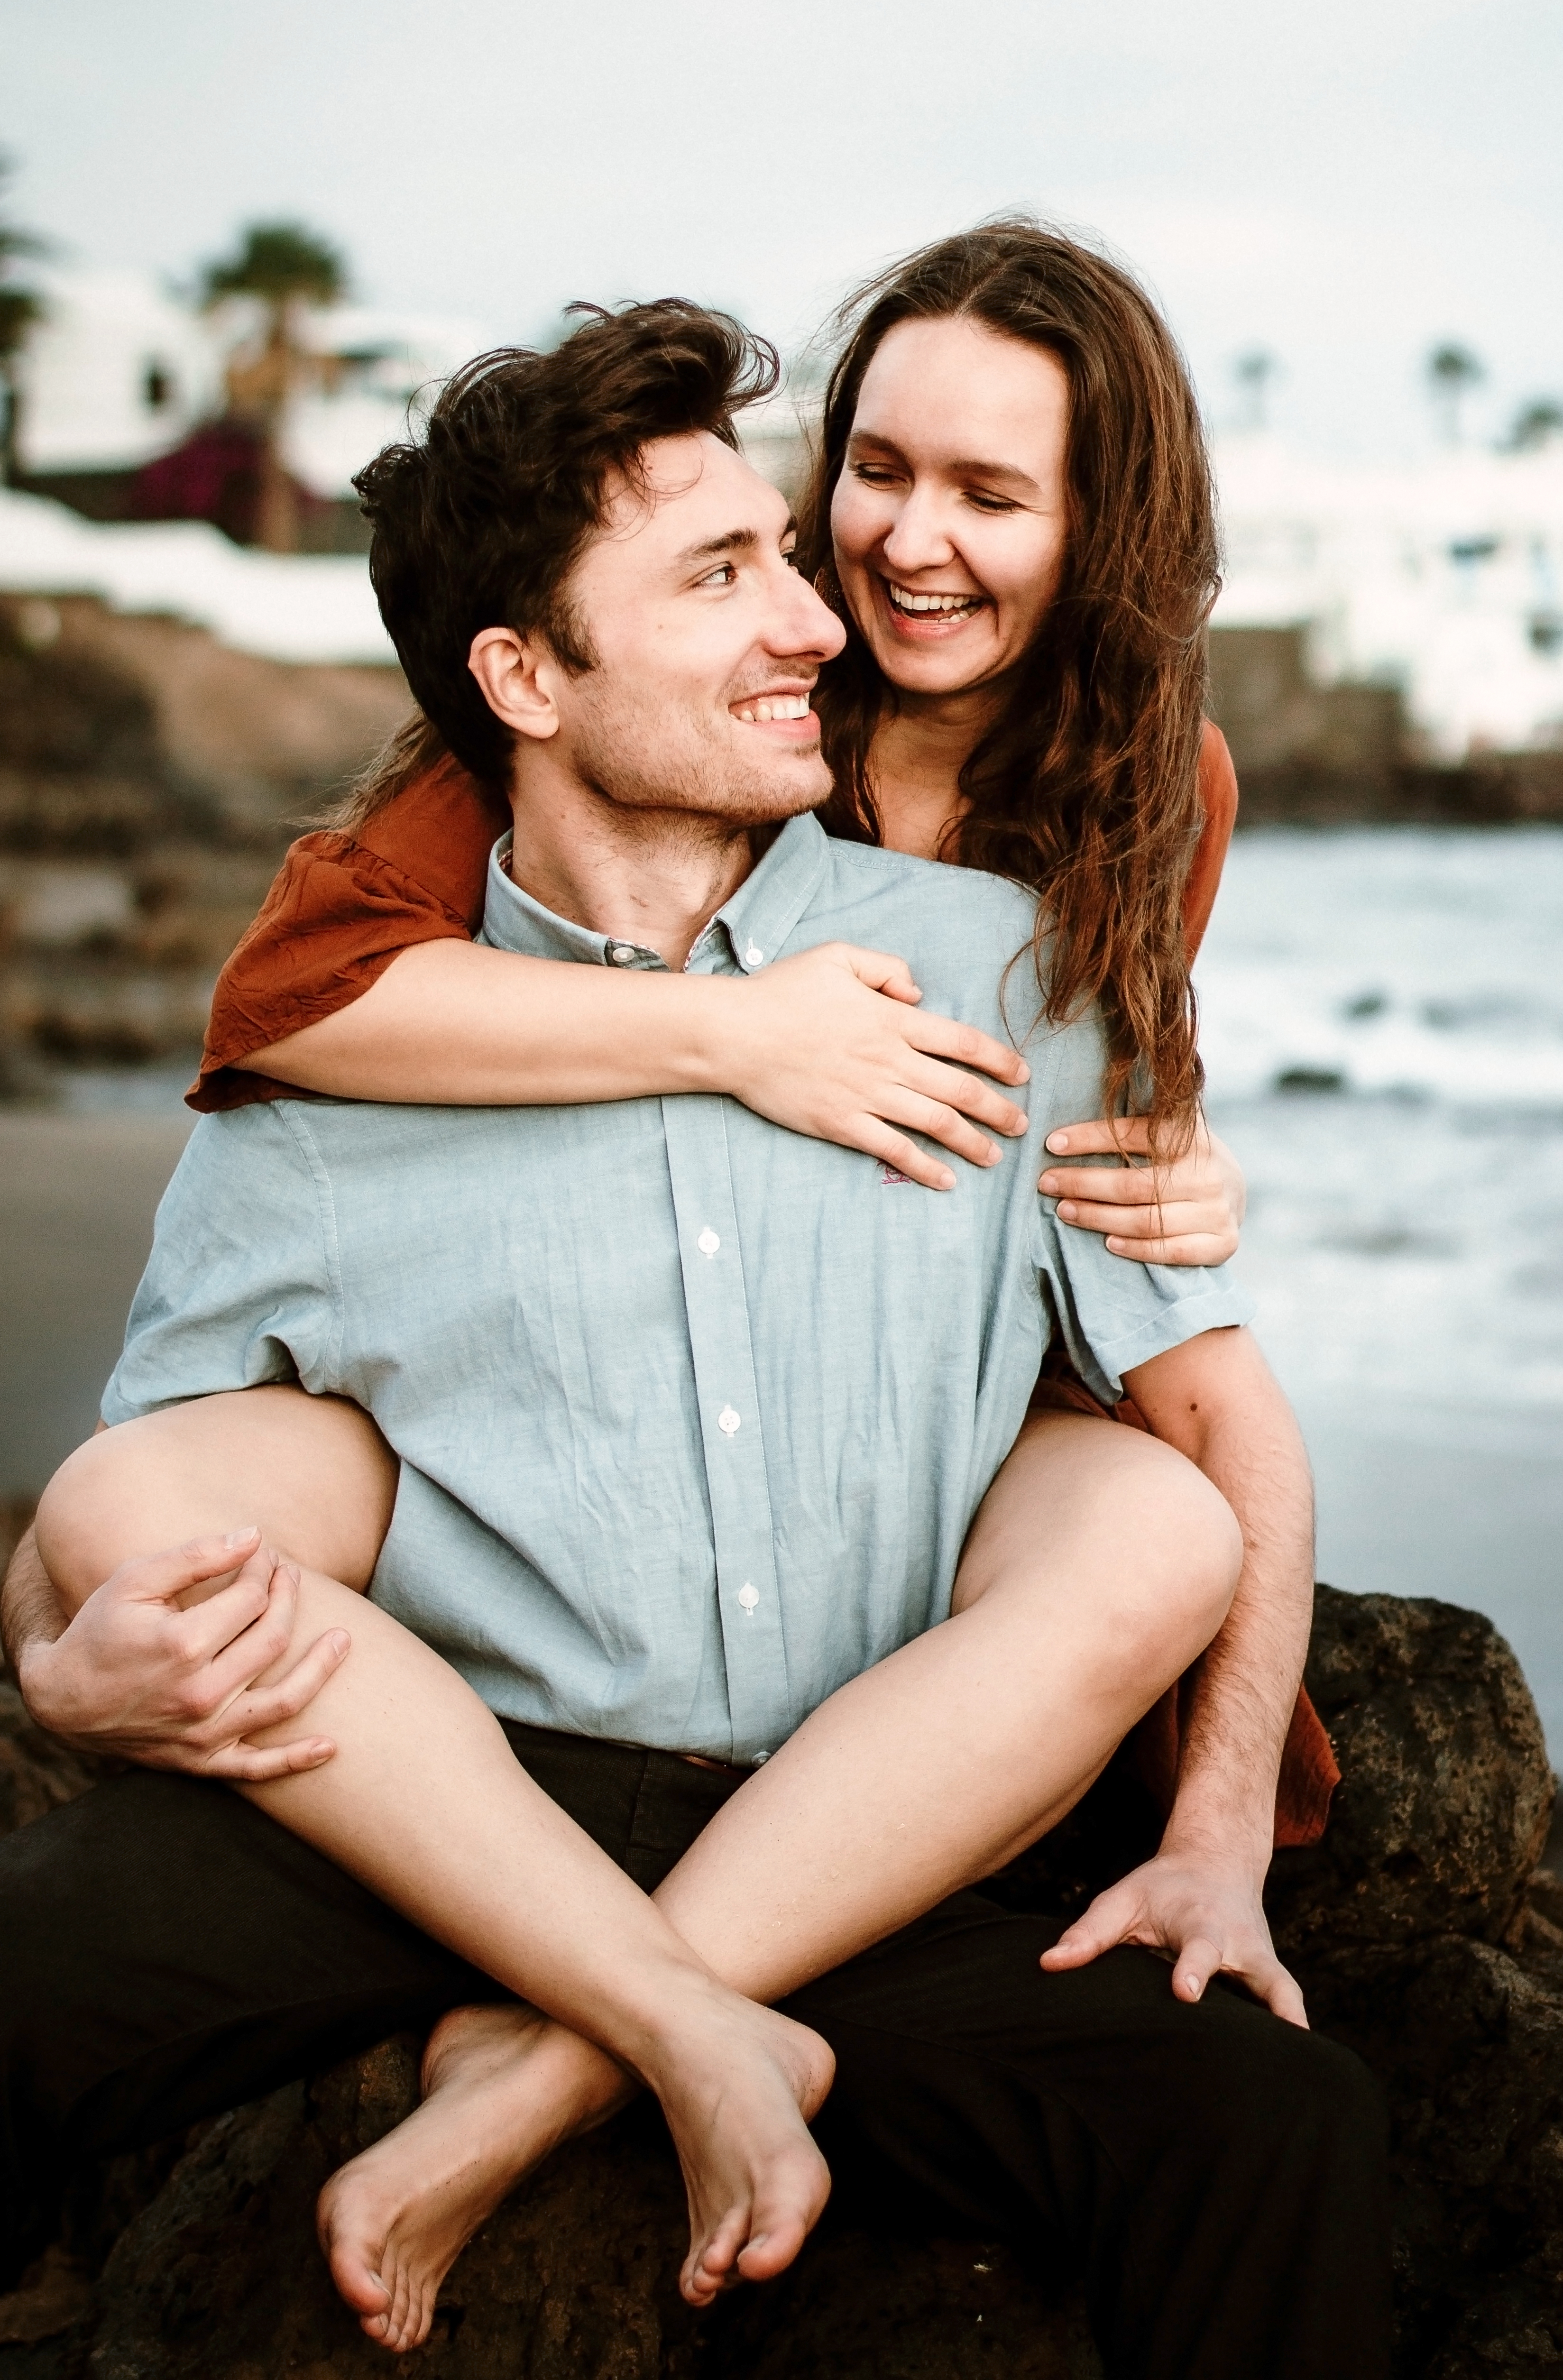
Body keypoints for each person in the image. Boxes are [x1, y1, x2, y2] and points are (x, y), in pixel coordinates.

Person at [0, 296, 1389, 2375]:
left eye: (790, 549)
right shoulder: (360, 1033)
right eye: (731, 570)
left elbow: (1214, 1420)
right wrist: (60, 1660)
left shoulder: (1020, 963)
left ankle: (558, 2051)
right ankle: (641, 2024)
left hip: (864, 1823)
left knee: (1277, 2132)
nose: (825, 611)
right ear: (522, 677)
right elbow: (132, 1500)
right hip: (437, 1804)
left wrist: (1215, 1845)